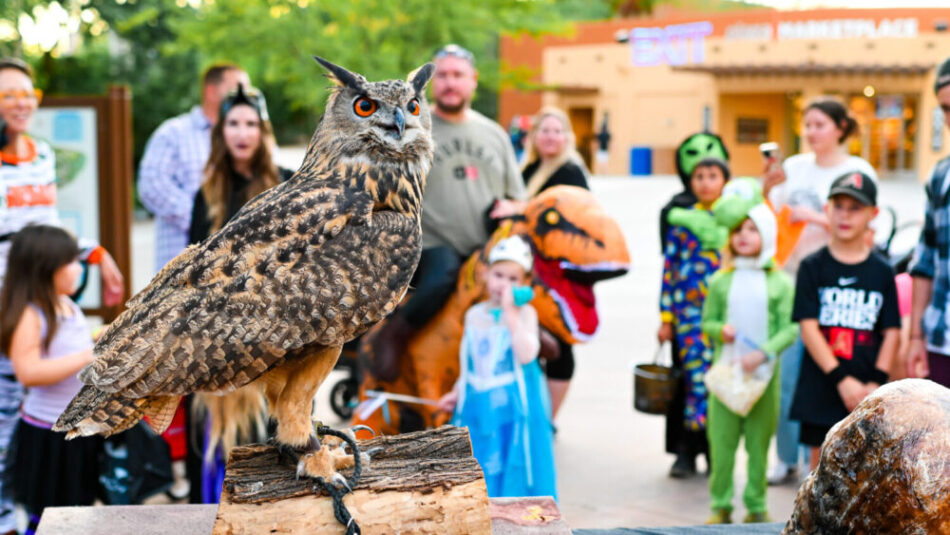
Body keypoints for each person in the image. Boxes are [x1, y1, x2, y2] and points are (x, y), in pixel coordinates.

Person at [0, 57, 123, 534]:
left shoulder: (41, 155)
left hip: (34, 294)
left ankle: (22, 514)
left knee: (22, 413)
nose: (20, 103)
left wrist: (92, 252)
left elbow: (45, 227)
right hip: (10, 303)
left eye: (26, 94)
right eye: (8, 95)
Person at [369, 44, 525, 381]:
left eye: (458, 75)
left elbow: (517, 197)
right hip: (427, 248)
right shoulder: (407, 129)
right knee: (443, 273)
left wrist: (511, 207)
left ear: (474, 80)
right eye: (442, 76)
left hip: (484, 250)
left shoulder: (494, 134)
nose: (450, 83)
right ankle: (392, 335)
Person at [761, 98, 877, 485]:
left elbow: (868, 233)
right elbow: (769, 219)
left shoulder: (857, 170)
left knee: (830, 377)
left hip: (838, 289)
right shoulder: (794, 167)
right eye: (807, 125)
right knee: (787, 376)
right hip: (792, 280)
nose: (811, 132)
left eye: (819, 124)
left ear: (841, 128)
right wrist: (766, 188)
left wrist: (816, 217)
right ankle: (785, 457)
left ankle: (831, 462)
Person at [186, 84, 291, 504]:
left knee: (274, 436)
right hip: (216, 337)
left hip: (274, 337)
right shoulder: (207, 194)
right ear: (221, 131)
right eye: (233, 123)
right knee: (215, 443)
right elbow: (192, 269)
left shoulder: (287, 184)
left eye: (251, 123)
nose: (242, 133)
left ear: (263, 130)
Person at [789, 172, 899, 471]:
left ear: (873, 214)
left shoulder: (882, 271)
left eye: (855, 208)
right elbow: (808, 329)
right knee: (819, 471)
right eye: (838, 206)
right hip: (822, 384)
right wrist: (841, 379)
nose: (845, 215)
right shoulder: (812, 267)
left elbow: (891, 332)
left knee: (864, 473)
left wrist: (875, 384)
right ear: (826, 209)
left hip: (867, 390)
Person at [437, 236, 556, 499]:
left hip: (512, 409)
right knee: (483, 461)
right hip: (479, 406)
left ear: (524, 284)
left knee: (511, 464)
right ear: (486, 274)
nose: (504, 284)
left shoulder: (525, 314)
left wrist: (511, 315)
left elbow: (527, 354)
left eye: (513, 279)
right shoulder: (474, 315)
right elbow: (470, 365)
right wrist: (456, 393)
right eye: (499, 275)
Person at [1, 225, 101, 534]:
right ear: (44, 269)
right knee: (48, 516)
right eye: (70, 262)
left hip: (78, 430)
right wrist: (89, 355)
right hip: (48, 435)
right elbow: (29, 372)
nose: (79, 269)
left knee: (78, 511)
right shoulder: (32, 315)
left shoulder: (67, 305)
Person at [702, 202, 797, 524]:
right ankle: (720, 504)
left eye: (753, 229)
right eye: (738, 229)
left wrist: (764, 353)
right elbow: (707, 322)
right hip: (726, 375)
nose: (744, 236)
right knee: (722, 443)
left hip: (764, 377)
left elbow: (789, 328)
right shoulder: (720, 281)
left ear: (767, 234)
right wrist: (720, 330)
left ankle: (756, 505)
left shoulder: (780, 282)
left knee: (759, 445)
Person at [658, 132, 729, 477]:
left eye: (713, 175)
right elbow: (669, 271)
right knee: (692, 382)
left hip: (723, 319)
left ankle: (716, 451)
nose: (705, 182)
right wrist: (665, 317)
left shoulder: (733, 221)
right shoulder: (680, 221)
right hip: (688, 315)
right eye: (699, 176)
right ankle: (687, 450)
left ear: (725, 180)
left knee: (718, 381)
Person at [138, 63, 250, 271]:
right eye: (238, 88)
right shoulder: (174, 133)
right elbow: (152, 187)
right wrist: (208, 220)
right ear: (211, 91)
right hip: (181, 268)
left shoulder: (249, 137)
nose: (245, 95)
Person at [906, 57, 950, 388]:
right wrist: (915, 337)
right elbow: (925, 262)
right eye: (946, 109)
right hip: (941, 339)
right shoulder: (940, 175)